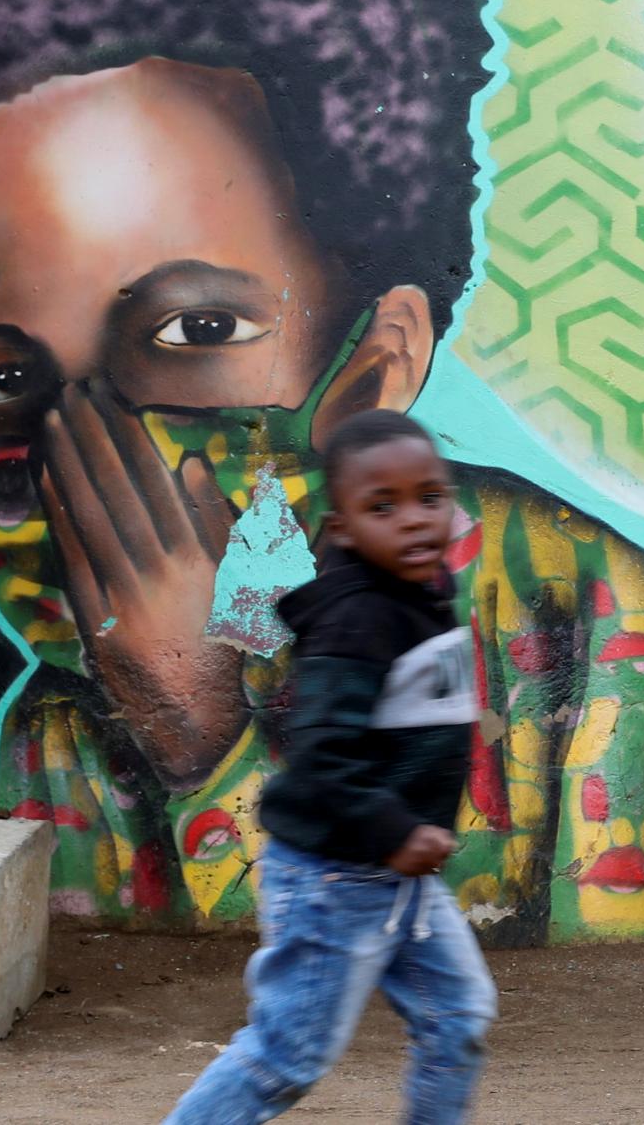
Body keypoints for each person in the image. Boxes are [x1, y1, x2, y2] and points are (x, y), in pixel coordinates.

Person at [0, 0, 644, 942]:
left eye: (195, 334)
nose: (84, 455)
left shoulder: (569, 601)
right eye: (7, 383)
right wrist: (173, 712)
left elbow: (607, 1000)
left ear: (372, 373)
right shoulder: (62, 715)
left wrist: (206, 738)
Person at [168, 410, 493, 1124]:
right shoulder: (357, 621)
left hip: (394, 879)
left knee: (458, 1016)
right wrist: (395, 830)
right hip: (333, 878)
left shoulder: (420, 600)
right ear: (341, 526)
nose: (412, 521)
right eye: (383, 507)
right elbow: (321, 755)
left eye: (429, 498)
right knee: (288, 1056)